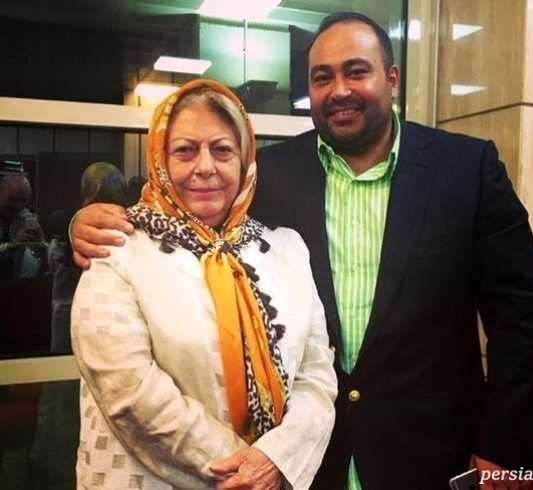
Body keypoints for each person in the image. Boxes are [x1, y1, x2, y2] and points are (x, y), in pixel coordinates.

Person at [71, 12, 533, 490]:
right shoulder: (271, 172)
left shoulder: (466, 169)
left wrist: (505, 442)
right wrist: (83, 222)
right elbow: (186, 214)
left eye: (356, 71)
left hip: (428, 453)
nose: (339, 90)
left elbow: (521, 313)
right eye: (322, 77)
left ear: (392, 79)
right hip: (311, 464)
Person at [70, 79, 337, 490]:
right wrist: (245, 471)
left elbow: (316, 372)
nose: (206, 167)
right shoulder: (117, 250)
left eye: (222, 150)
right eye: (185, 150)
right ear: (160, 159)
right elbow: (130, 392)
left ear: (245, 160)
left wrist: (278, 458)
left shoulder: (287, 250)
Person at [0, 173, 46, 279]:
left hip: (17, 283)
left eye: (23, 200)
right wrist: (13, 245)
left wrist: (40, 246)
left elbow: (46, 262)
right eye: (12, 199)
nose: (18, 206)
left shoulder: (26, 217)